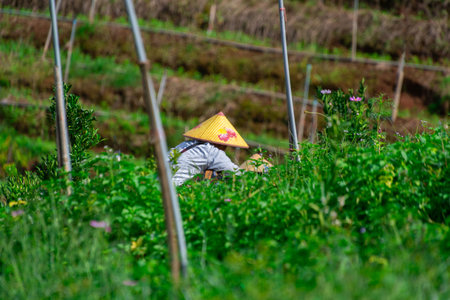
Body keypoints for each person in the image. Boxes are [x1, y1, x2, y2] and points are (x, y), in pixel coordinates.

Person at [170, 112, 249, 186]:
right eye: (225, 145)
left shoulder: (185, 144)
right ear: (220, 144)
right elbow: (235, 173)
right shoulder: (212, 151)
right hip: (175, 189)